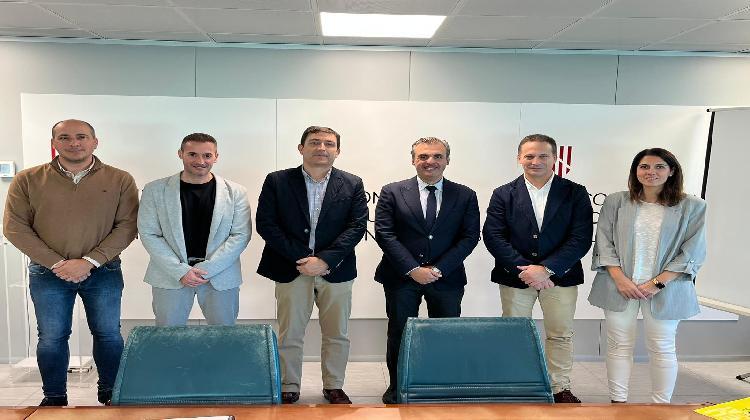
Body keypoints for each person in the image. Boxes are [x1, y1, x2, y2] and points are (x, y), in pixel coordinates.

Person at [3, 119, 139, 406]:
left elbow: (128, 226)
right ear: (54, 143)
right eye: (64, 137)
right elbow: (14, 227)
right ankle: (54, 398)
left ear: (95, 142)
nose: (74, 143)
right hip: (47, 273)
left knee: (108, 335)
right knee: (52, 337)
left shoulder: (120, 179)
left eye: (81, 136)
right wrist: (56, 263)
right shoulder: (27, 179)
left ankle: (112, 395)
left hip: (103, 271)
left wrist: (89, 261)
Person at [256, 126, 367, 405]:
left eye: (329, 143)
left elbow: (357, 226)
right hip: (291, 268)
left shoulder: (352, 183)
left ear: (338, 151)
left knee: (337, 333)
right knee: (290, 332)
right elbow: (266, 224)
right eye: (315, 142)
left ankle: (334, 386)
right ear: (301, 148)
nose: (322, 148)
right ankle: (289, 385)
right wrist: (304, 259)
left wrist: (325, 260)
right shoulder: (278, 181)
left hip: (336, 270)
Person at [588, 148, 706, 403]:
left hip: (667, 287)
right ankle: (618, 403)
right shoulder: (616, 201)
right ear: (635, 171)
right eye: (644, 166)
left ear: (671, 171)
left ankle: (660, 407)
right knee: (618, 344)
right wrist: (620, 279)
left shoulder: (693, 206)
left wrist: (656, 284)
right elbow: (604, 242)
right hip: (619, 285)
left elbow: (693, 250)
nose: (651, 172)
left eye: (659, 166)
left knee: (662, 346)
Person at [483, 134, 593, 403]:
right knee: (514, 334)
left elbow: (580, 238)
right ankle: (515, 385)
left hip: (560, 277)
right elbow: (493, 236)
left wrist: (547, 269)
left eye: (543, 155)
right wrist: (525, 270)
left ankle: (559, 388)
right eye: (529, 156)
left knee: (560, 335)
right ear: (519, 158)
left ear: (555, 158)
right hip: (516, 277)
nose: (536, 161)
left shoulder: (575, 192)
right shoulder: (503, 193)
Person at [374, 137, 480, 404]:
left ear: (447, 160)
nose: (430, 161)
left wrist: (439, 269)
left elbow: (469, 237)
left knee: (445, 334)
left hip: (447, 277)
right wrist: (412, 268)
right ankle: (398, 387)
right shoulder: (392, 191)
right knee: (400, 332)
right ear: (413, 160)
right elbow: (385, 234)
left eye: (437, 156)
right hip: (401, 276)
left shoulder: (465, 194)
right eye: (423, 156)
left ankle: (441, 385)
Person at [138, 133, 251, 326]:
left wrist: (207, 269)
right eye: (192, 154)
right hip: (170, 275)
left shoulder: (236, 192)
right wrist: (180, 271)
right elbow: (149, 233)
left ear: (216, 157)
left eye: (207, 155)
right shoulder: (154, 190)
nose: (200, 161)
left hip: (220, 275)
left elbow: (240, 235)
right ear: (180, 154)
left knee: (224, 336)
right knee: (167, 336)